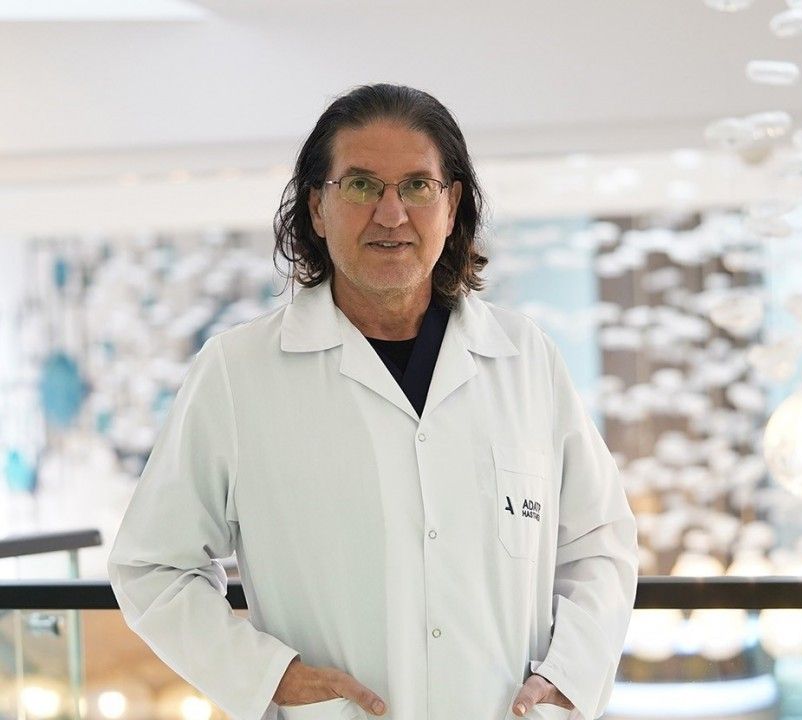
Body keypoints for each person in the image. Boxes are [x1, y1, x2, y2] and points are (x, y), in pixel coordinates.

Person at [108, 83, 639, 720]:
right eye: (361, 185)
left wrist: (570, 676)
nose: (391, 214)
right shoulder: (237, 371)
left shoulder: (525, 359)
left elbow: (599, 543)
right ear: (317, 207)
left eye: (417, 186)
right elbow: (152, 567)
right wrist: (269, 677)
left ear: (451, 206)